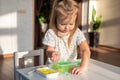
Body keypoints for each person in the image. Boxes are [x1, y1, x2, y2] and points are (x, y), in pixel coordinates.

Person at [43, 0, 91, 74]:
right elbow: (49, 50)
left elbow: (85, 49)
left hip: (70, 68)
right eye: (63, 24)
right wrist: (52, 53)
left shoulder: (77, 32)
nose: (67, 28)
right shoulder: (51, 33)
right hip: (54, 69)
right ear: (55, 19)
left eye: (71, 24)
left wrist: (83, 66)